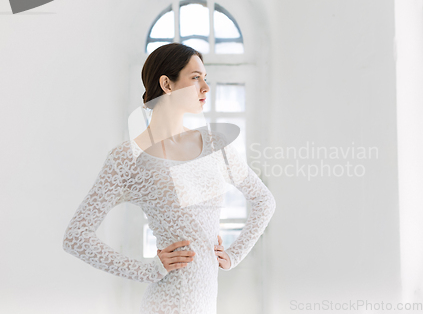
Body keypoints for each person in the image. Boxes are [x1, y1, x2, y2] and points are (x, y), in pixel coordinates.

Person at [62, 43, 276, 314]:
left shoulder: (215, 144)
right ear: (167, 84)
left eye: (205, 78)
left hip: (206, 303)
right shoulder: (126, 158)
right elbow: (76, 237)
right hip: (163, 304)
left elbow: (264, 200)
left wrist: (235, 254)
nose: (206, 88)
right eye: (196, 77)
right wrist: (148, 270)